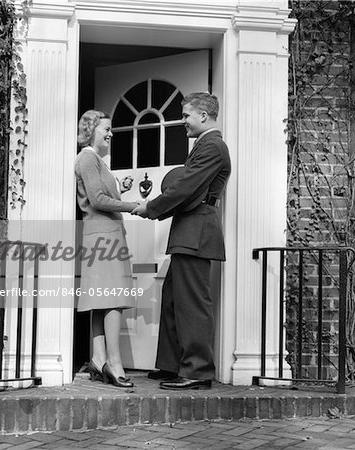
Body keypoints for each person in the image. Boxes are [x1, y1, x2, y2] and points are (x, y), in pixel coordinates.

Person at [131, 92, 231, 390]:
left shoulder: (213, 146)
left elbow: (186, 187)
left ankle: (198, 371)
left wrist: (151, 207)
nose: (182, 121)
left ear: (203, 115)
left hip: (197, 232)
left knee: (193, 304)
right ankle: (174, 365)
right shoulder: (205, 145)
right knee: (175, 301)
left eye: (186, 115)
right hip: (189, 231)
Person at [75, 110, 138, 388]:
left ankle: (99, 359)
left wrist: (119, 189)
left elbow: (101, 195)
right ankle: (114, 363)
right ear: (91, 131)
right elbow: (98, 200)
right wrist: (132, 205)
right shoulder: (88, 158)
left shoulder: (96, 160)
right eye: (106, 129)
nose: (111, 133)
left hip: (102, 237)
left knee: (102, 301)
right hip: (104, 239)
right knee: (114, 298)